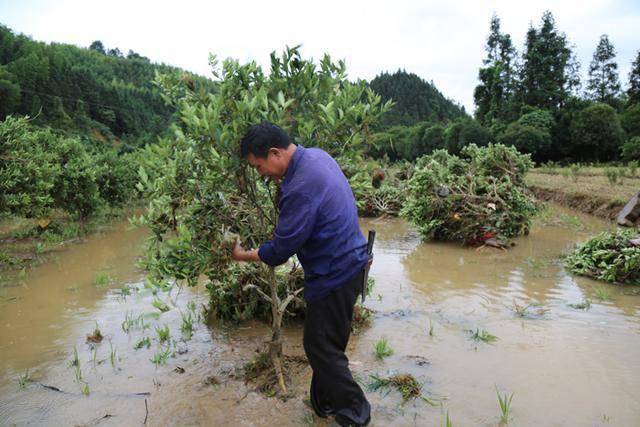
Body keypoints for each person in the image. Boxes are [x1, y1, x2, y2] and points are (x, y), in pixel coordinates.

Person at [231, 121, 372, 426]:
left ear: (274, 153)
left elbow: (280, 251)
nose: (261, 174)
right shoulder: (316, 157)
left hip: (336, 273)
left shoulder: (300, 188)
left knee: (319, 347)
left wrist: (243, 255)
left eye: (258, 166)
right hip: (353, 262)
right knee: (327, 343)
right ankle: (323, 404)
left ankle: (356, 412)